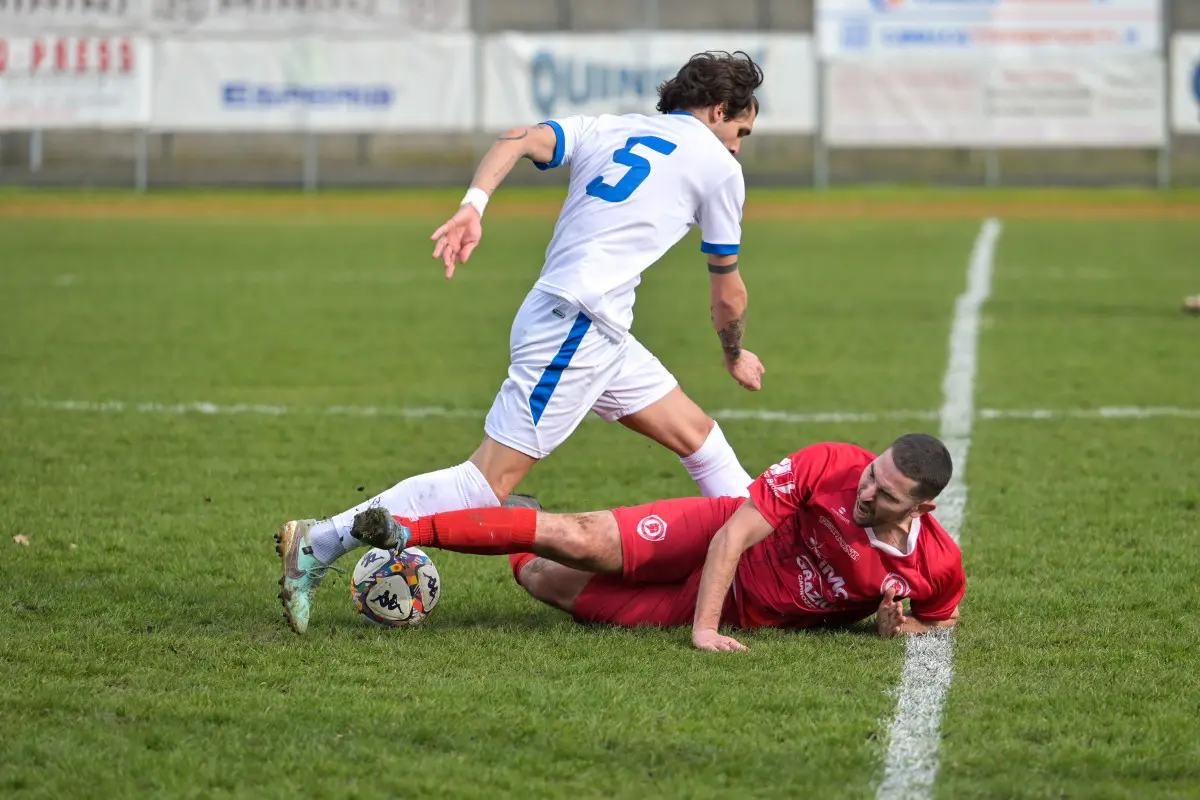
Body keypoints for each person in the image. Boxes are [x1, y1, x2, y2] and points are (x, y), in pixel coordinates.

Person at [275, 51, 768, 634]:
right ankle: (319, 542)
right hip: (577, 328)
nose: (738, 146)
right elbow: (727, 293)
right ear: (718, 111)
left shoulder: (611, 127)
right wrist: (733, 351)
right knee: (482, 484)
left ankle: (763, 557)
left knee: (700, 438)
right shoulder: (718, 165)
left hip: (591, 327)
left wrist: (472, 206)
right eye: (741, 131)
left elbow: (514, 139)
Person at [350, 434, 965, 648]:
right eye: (871, 476)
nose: (866, 494)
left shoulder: (937, 564)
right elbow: (730, 537)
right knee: (581, 538)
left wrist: (900, 630)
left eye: (886, 495)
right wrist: (702, 632)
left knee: (541, 578)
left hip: (737, 607)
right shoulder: (830, 463)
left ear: (923, 508)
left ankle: (515, 516)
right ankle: (406, 529)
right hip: (717, 538)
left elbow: (942, 621)